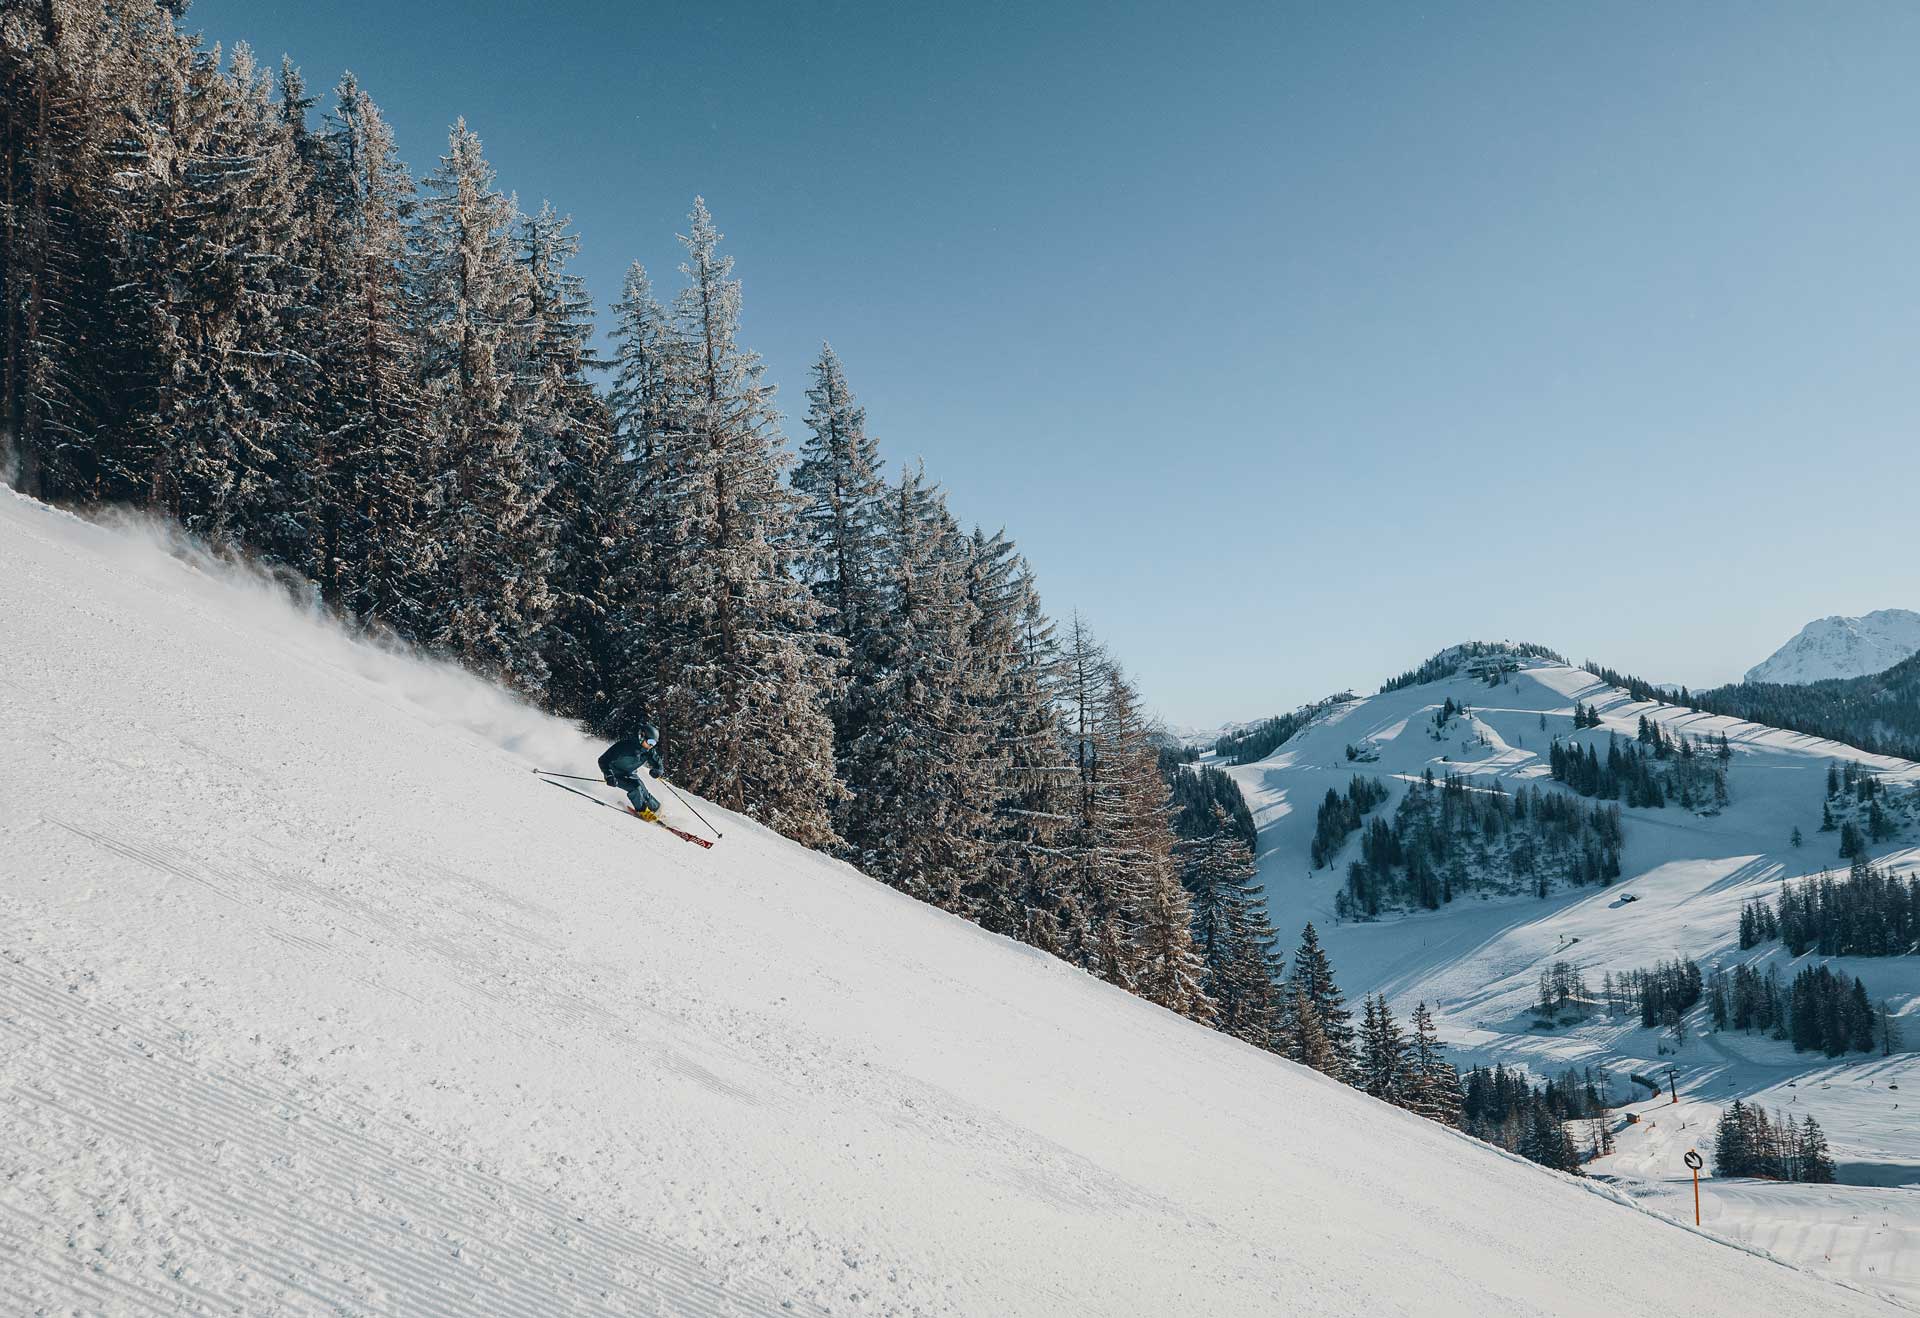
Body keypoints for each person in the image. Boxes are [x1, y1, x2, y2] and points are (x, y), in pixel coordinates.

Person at [599, 722, 666, 821]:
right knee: (635, 789)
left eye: (654, 743)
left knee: (644, 792)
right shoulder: (624, 746)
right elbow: (603, 760)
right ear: (641, 736)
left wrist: (658, 770)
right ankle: (643, 811)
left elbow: (658, 763)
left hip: (630, 773)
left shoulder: (648, 750)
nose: (651, 746)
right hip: (615, 774)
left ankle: (656, 810)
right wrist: (608, 775)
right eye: (650, 742)